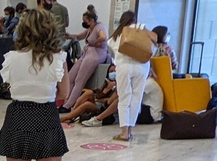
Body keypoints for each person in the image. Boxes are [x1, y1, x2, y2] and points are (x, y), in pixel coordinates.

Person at [0, 10, 88, 161]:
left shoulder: (11, 58)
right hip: (46, 116)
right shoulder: (58, 58)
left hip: (17, 116)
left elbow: (8, 86)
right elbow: (64, 94)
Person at [105, 11, 151, 143]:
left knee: (124, 98)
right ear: (135, 20)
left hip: (123, 67)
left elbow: (113, 53)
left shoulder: (114, 38)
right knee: (136, 98)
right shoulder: (140, 31)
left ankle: (124, 132)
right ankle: (130, 131)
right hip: (141, 67)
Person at [58, 8, 107, 109]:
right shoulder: (89, 29)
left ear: (92, 20)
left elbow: (103, 37)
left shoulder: (99, 27)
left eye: (85, 21)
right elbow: (79, 36)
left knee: (79, 80)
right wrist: (70, 36)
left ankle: (68, 105)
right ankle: (65, 101)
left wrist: (95, 42)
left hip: (95, 55)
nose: (84, 23)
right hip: (86, 54)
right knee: (70, 77)